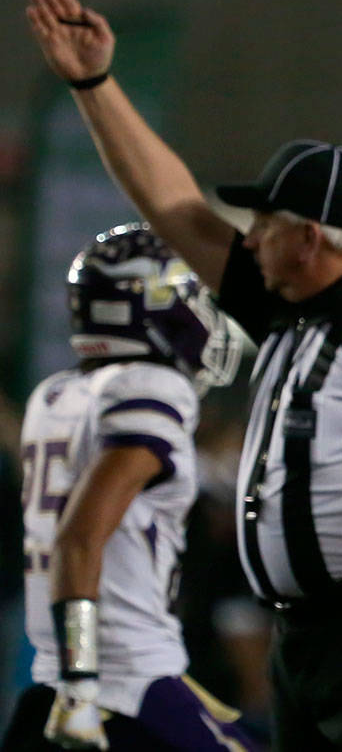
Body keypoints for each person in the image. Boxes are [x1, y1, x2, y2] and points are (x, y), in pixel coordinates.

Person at [26, 0, 342, 751]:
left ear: (308, 237)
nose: (248, 236)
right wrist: (95, 86)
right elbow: (171, 205)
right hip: (295, 638)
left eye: (263, 222)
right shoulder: (287, 307)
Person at [2, 224, 255, 751]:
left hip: (54, 682)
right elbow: (78, 537)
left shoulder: (56, 395)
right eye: (188, 296)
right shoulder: (151, 387)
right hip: (120, 682)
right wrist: (83, 684)